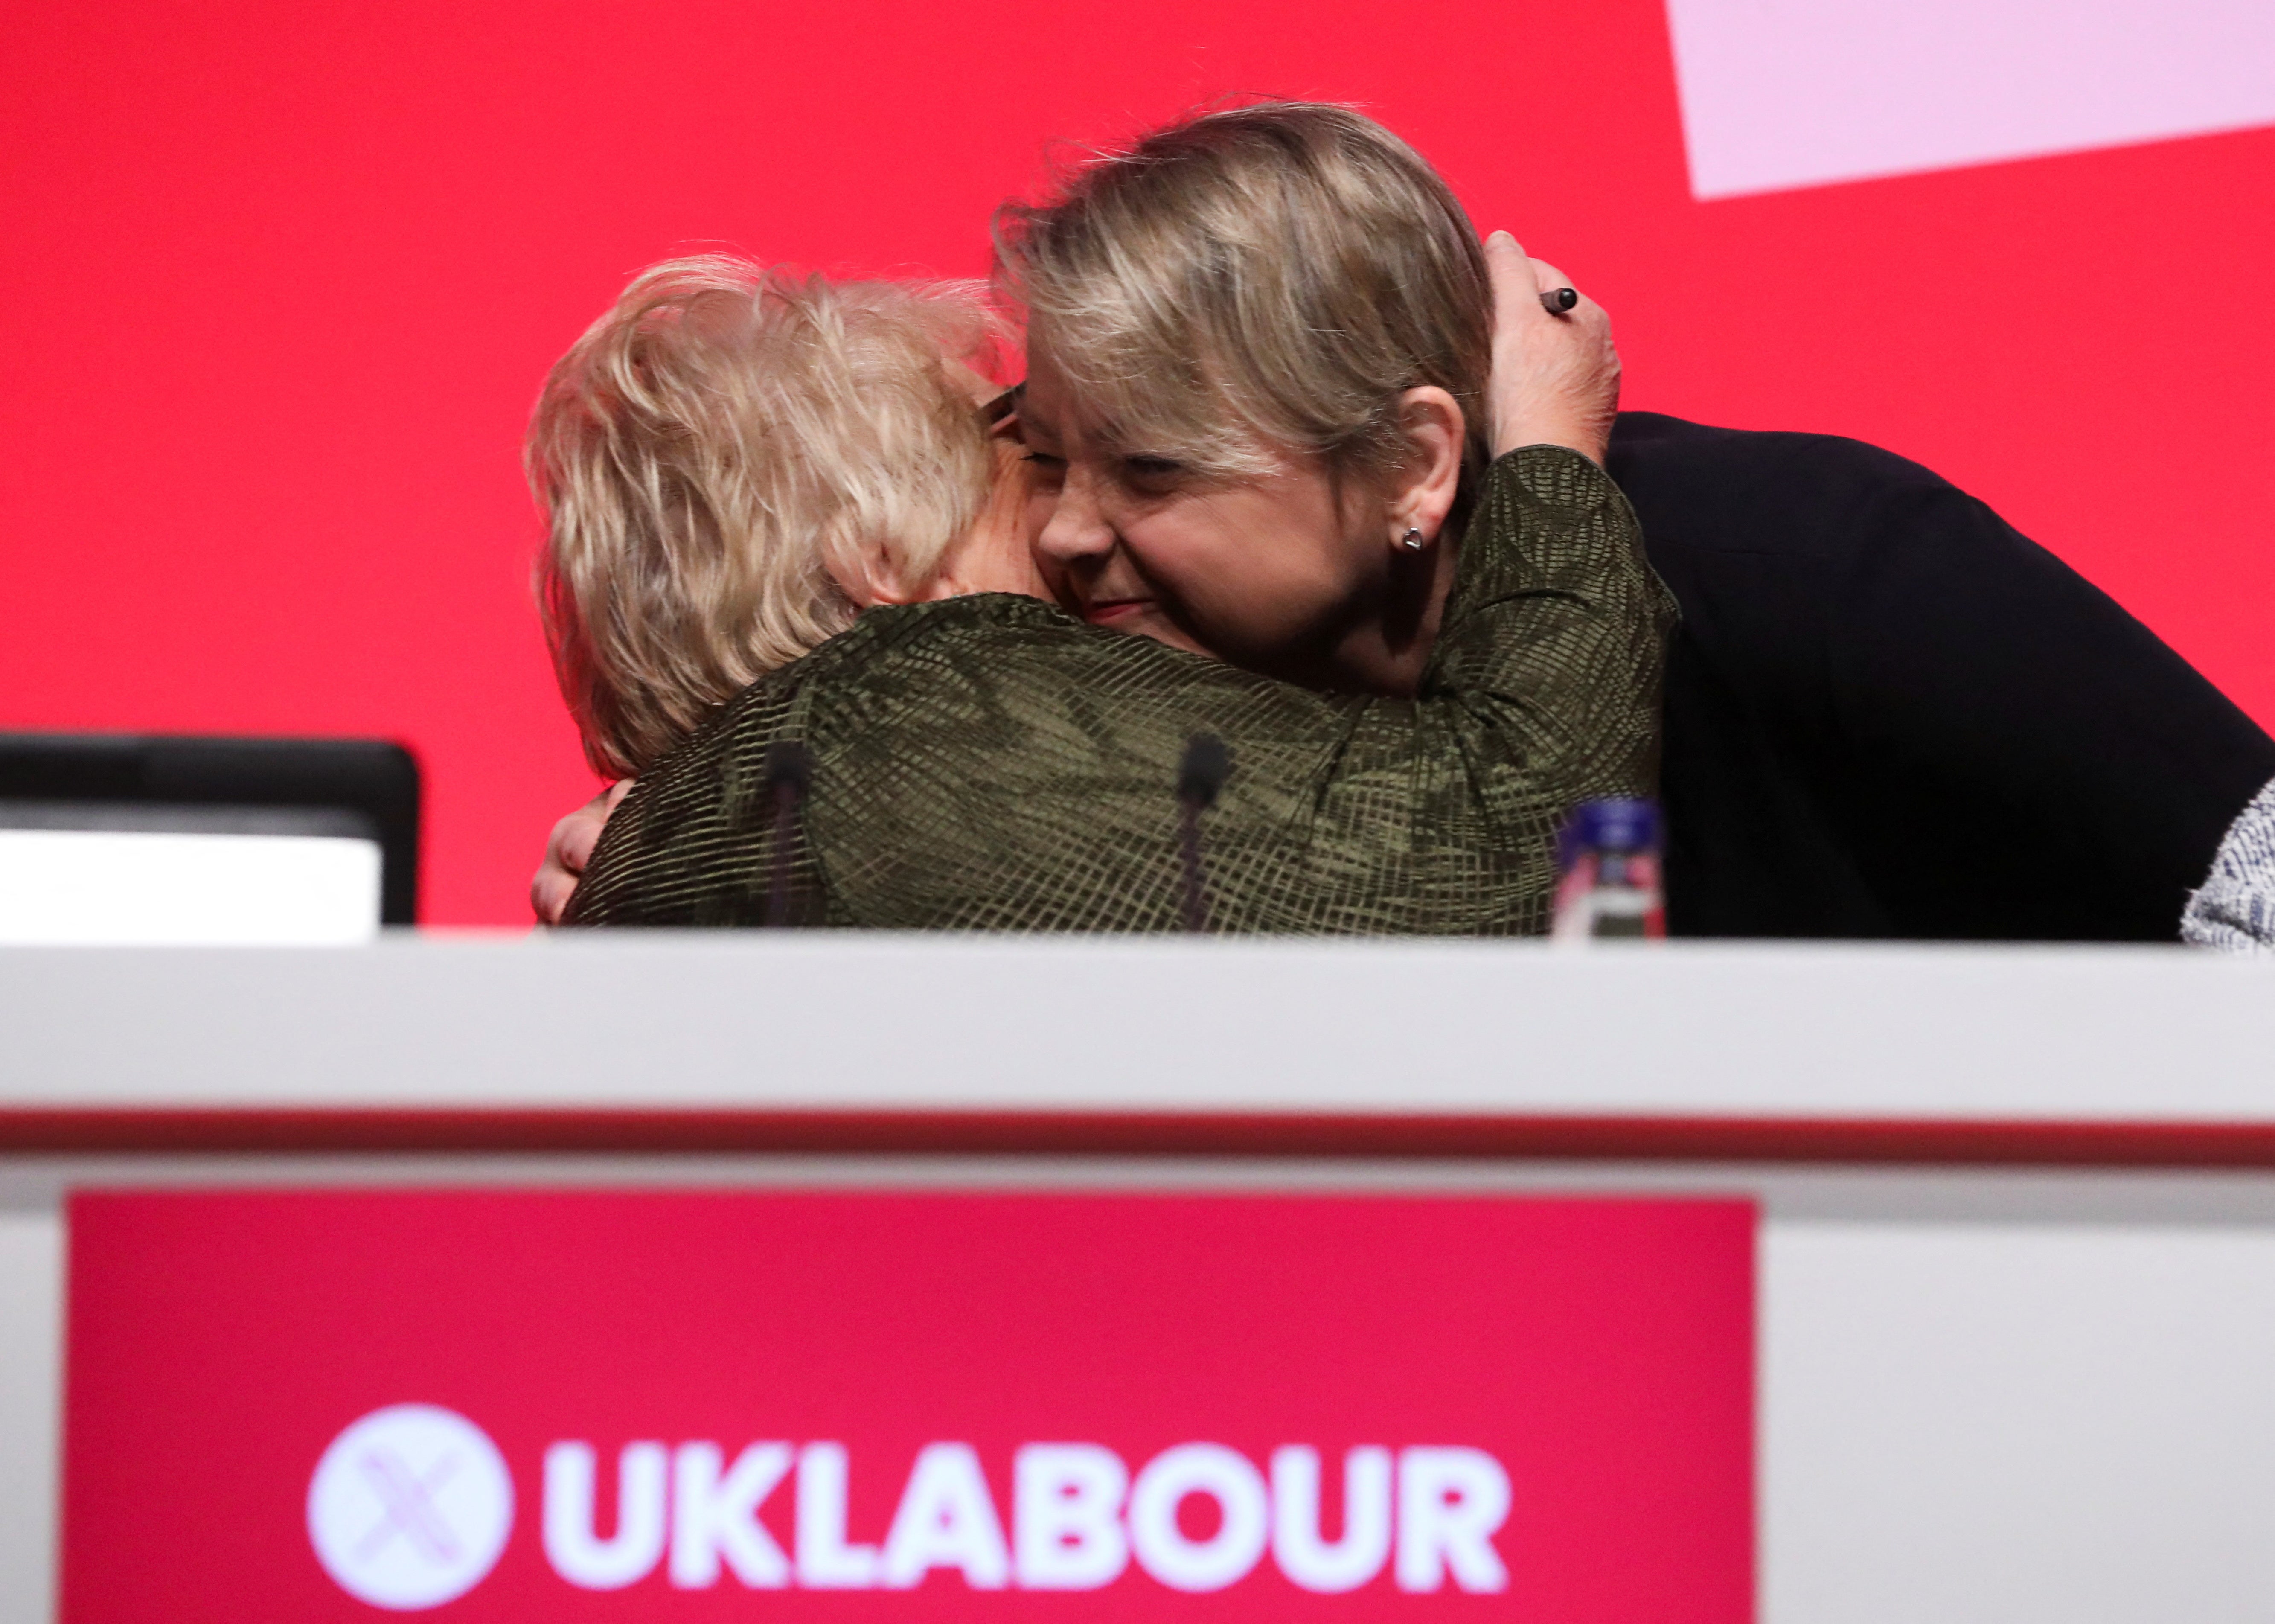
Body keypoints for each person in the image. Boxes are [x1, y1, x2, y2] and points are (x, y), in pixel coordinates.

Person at [540, 99, 2275, 939]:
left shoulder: (1792, 561)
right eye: (1037, 456)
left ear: (1416, 467)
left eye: (1141, 470)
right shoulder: (1086, 734)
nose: (1066, 537)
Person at [538, 183, 1673, 929]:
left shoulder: (694, 842)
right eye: (1021, 447)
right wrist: (1548, 447)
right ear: (874, 553)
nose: (1072, 521)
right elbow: (1527, 851)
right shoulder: (918, 718)